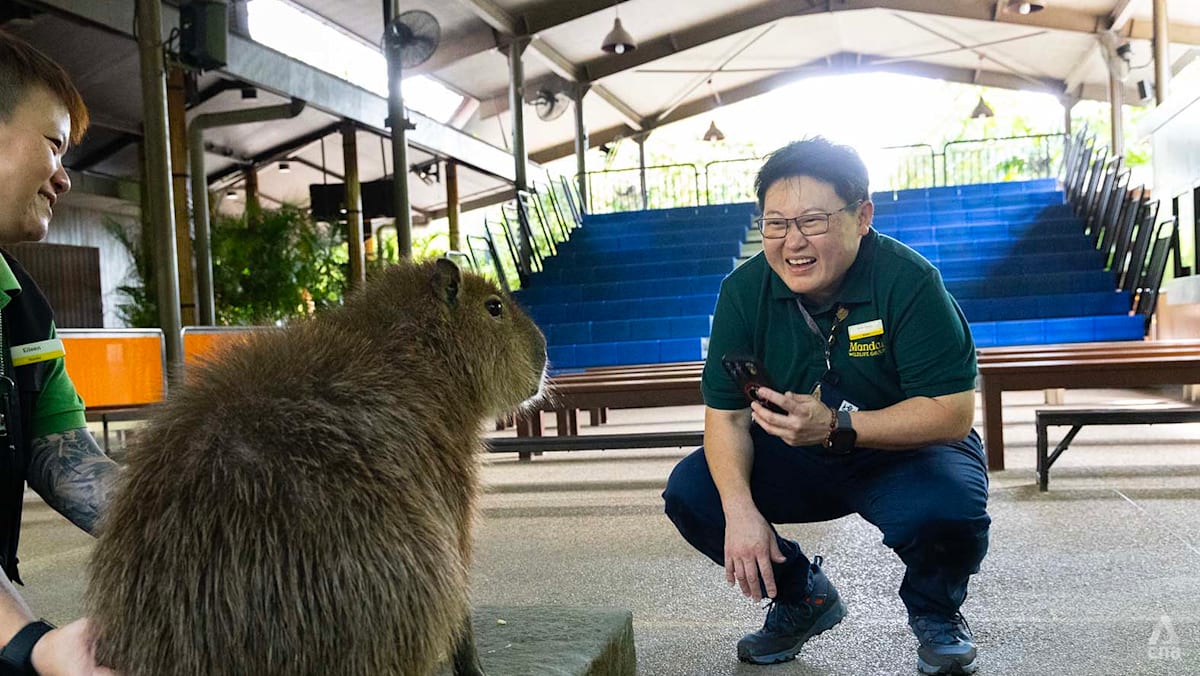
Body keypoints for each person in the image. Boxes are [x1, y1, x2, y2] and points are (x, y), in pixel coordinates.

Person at [662, 137, 990, 675]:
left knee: (948, 510)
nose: (793, 242)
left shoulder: (910, 283)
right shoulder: (744, 293)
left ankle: (937, 612)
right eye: (776, 223)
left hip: (905, 451)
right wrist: (741, 513)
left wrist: (840, 425)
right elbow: (725, 417)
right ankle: (802, 596)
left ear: (862, 216)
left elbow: (952, 413)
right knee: (695, 494)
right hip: (797, 452)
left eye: (812, 221)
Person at [0, 30, 120, 675]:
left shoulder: (19, 304)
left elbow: (64, 458)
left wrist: (215, 522)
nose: (64, 177)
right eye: (53, 145)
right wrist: (31, 642)